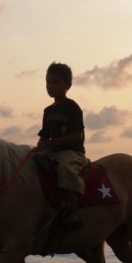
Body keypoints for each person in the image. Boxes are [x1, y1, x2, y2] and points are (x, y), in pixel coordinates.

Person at [36, 62, 86, 230]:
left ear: (67, 86)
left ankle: (72, 209)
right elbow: (44, 134)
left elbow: (77, 135)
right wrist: (40, 146)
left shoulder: (72, 107)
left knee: (65, 168)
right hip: (52, 151)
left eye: (55, 82)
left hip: (71, 152)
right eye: (48, 82)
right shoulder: (47, 111)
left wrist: (53, 143)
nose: (50, 86)